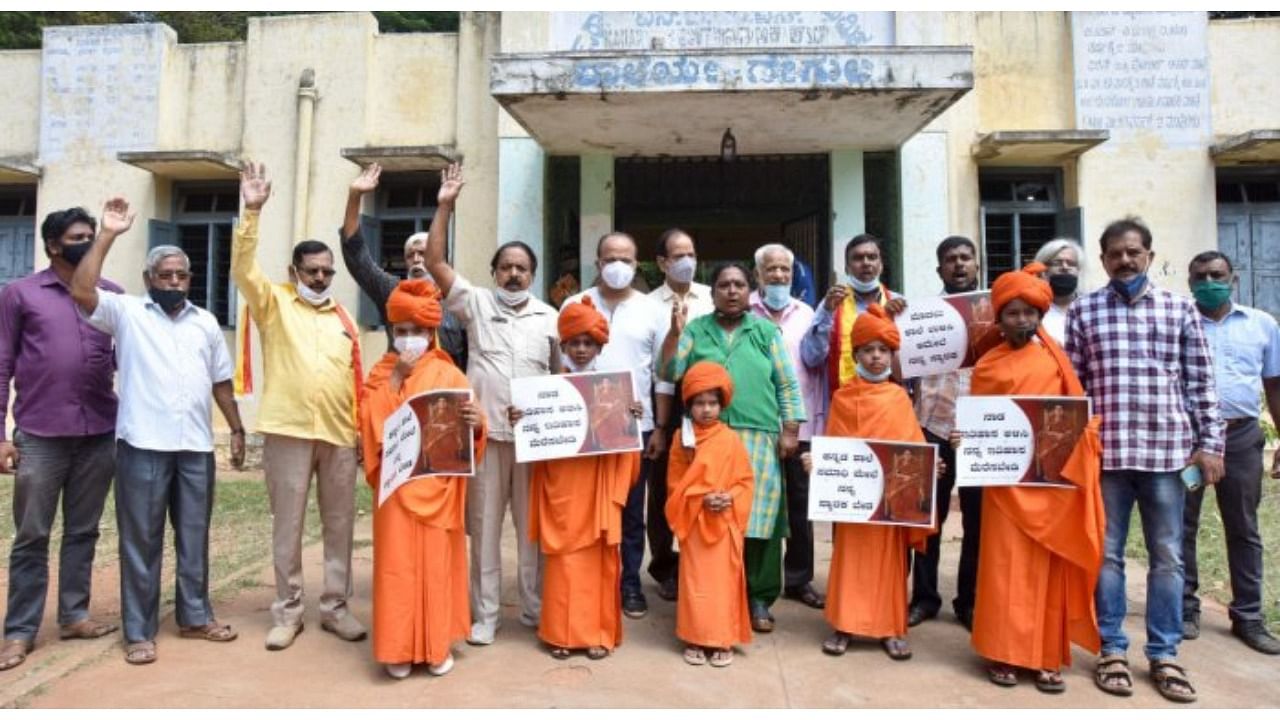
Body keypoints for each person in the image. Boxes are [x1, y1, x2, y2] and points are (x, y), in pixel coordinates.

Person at [69, 199, 246, 665]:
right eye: (165, 275)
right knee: (141, 540)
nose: (173, 282)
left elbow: (221, 381)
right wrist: (107, 233)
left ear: (190, 279)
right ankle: (139, 630)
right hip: (142, 447)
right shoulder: (126, 312)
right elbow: (82, 291)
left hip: (195, 448)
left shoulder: (205, 321)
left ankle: (194, 615)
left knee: (194, 536)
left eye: (181, 275)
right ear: (150, 279)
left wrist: (236, 427)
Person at [1065, 218, 1224, 703]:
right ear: (1104, 258)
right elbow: (1074, 389)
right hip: (1107, 457)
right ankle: (1112, 648)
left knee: (1168, 557)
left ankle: (1164, 653)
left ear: (1149, 256)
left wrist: (1211, 444)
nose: (1125, 261)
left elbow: (1201, 382)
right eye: (1115, 253)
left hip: (1166, 454)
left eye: (1133, 252)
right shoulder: (1084, 311)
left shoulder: (1179, 310)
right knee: (1106, 555)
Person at [231, 161, 367, 651]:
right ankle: (287, 612)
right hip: (287, 430)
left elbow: (354, 380)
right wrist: (252, 211)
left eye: (328, 271)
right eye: (313, 270)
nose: (322, 277)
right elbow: (243, 269)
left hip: (338, 435)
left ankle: (334, 607)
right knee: (287, 525)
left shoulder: (344, 318)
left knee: (339, 525)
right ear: (294, 272)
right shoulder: (274, 303)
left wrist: (359, 435)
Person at [424, 163, 558, 646]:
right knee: (482, 530)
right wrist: (445, 204)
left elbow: (561, 381)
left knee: (531, 531)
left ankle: (534, 607)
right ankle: (484, 616)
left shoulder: (552, 318)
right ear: (494, 272)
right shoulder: (475, 303)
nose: (515, 274)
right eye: (507, 267)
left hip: (532, 443)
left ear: (533, 275)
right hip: (481, 438)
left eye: (523, 268)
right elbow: (436, 263)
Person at [967, 262, 1105, 693]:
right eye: (1013, 312)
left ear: (1041, 315)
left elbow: (1073, 411)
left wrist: (1084, 434)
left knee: (1047, 568)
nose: (1022, 319)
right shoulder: (987, 364)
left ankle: (1047, 655)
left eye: (1030, 312)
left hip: (1048, 483)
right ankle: (1003, 654)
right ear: (1000, 317)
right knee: (1003, 569)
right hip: (1004, 487)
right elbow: (982, 424)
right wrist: (966, 436)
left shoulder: (1055, 361)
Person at [0, 206, 123, 671]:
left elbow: (123, 362)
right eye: (77, 236)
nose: (87, 241)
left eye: (91, 235)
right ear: (53, 245)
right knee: (32, 534)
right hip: (40, 435)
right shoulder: (20, 295)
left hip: (98, 432)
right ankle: (19, 631)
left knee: (83, 531)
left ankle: (74, 615)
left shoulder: (111, 296)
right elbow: (2, 363)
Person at [663, 262, 804, 633]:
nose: (731, 291)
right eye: (723, 285)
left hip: (758, 435)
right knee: (708, 513)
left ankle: (758, 597)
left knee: (758, 519)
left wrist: (790, 430)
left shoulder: (765, 332)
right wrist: (674, 336)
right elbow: (670, 373)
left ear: (750, 289)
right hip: (705, 437)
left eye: (739, 284)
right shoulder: (696, 329)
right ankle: (714, 594)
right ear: (712, 294)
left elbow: (787, 384)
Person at [359, 279, 485, 678]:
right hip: (396, 488)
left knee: (436, 565)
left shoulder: (450, 374)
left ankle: (435, 645)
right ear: (392, 333)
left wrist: (477, 424)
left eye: (417, 332)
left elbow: (472, 429)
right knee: (397, 566)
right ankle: (397, 648)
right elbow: (368, 424)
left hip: (439, 488)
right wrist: (396, 380)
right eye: (402, 331)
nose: (409, 339)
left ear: (432, 333)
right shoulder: (381, 373)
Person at [802, 304, 935, 661]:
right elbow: (833, 451)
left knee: (890, 565)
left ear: (893, 356)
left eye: (883, 351)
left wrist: (928, 469)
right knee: (850, 560)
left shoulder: (898, 399)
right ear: (856, 354)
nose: (876, 357)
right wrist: (818, 464)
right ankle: (844, 626)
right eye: (868, 350)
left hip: (889, 503)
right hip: (853, 504)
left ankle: (890, 628)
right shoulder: (844, 398)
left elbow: (912, 446)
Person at [519, 296, 642, 660]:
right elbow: (536, 439)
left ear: (600, 345)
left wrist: (631, 419)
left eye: (589, 343)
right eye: (576, 343)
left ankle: (596, 634)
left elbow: (626, 452)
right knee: (562, 563)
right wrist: (522, 419)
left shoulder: (615, 390)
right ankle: (559, 633)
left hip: (599, 486)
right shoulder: (547, 390)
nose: (583, 349)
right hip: (562, 485)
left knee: (596, 561)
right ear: (565, 345)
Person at [562, 232, 674, 619]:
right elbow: (557, 368)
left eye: (626, 260)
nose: (618, 266)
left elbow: (662, 373)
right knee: (585, 509)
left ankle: (629, 584)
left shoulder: (651, 310)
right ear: (596, 262)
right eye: (610, 258)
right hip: (580, 429)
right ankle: (591, 581)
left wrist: (659, 427)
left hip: (632, 429)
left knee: (630, 511)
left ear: (637, 264)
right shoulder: (573, 304)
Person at [1181, 251, 1280, 654]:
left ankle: (1249, 617)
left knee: (1243, 526)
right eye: (1200, 276)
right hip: (1186, 440)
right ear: (1190, 282)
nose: (1209, 282)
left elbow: (1274, 385)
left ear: (1232, 279)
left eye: (1216, 275)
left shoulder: (1262, 324)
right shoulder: (1179, 321)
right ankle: (1185, 608)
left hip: (1240, 438)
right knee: (1180, 525)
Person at [905, 235, 984, 630]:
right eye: (950, 260)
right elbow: (903, 370)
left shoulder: (996, 315)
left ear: (977, 265)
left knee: (977, 519)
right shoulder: (922, 315)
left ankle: (968, 600)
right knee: (926, 517)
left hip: (979, 431)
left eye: (965, 258)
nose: (958, 265)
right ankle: (924, 597)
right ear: (940, 269)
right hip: (931, 425)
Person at [749, 243, 824, 609]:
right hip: (757, 428)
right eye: (772, 269)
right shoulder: (744, 312)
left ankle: (798, 579)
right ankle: (754, 579)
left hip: (802, 424)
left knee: (800, 505)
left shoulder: (808, 313)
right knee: (758, 503)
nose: (779, 276)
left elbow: (816, 367)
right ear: (758, 275)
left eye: (785, 270)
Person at [665, 361, 753, 668]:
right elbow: (675, 485)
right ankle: (694, 636)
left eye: (712, 403)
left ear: (722, 404)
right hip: (695, 522)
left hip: (725, 523)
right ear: (689, 405)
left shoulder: (730, 439)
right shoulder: (681, 439)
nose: (706, 409)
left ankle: (722, 639)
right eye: (699, 403)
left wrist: (728, 497)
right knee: (696, 585)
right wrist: (702, 499)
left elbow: (745, 481)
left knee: (722, 584)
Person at [644, 228, 715, 602]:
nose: (687, 261)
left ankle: (699, 563)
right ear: (662, 263)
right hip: (667, 411)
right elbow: (658, 372)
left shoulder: (711, 298)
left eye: (691, 253)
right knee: (663, 492)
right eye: (678, 255)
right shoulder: (647, 305)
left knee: (704, 487)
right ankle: (664, 566)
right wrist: (658, 425)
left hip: (708, 408)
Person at [340, 162, 467, 369]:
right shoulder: (392, 290)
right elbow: (356, 256)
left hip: (445, 389)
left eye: (424, 254)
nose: (417, 260)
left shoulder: (457, 295)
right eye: (411, 255)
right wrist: (355, 196)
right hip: (400, 384)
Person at [801, 234, 904, 406]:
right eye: (858, 258)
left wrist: (891, 321)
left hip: (889, 404)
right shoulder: (832, 302)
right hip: (844, 405)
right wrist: (827, 312)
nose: (866, 263)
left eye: (872, 257)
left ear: (881, 265)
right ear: (847, 267)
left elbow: (912, 367)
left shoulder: (899, 303)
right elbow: (811, 358)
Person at [1033, 238, 1085, 345]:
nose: (1065, 267)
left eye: (1071, 263)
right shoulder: (1032, 311)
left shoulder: (1088, 307)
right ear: (1043, 270)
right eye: (1057, 263)